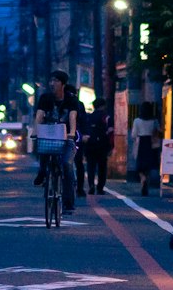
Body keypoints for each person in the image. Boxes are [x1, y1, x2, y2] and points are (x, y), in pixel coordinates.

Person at [32, 69, 79, 213]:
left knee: (67, 165)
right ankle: (42, 171)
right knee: (44, 151)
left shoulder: (71, 99)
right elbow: (39, 115)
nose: (52, 83)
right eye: (51, 80)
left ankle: (68, 203)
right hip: (49, 135)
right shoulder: (45, 98)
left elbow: (72, 117)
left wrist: (71, 133)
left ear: (63, 84)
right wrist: (36, 130)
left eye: (56, 81)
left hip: (66, 138)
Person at [131, 100, 163, 197]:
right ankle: (146, 181)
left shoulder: (137, 120)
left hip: (141, 142)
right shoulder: (154, 121)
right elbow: (159, 132)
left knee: (140, 164)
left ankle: (143, 179)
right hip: (151, 143)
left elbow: (133, 134)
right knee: (149, 165)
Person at [85, 98, 113, 194]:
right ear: (103, 106)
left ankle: (91, 186)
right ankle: (100, 187)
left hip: (90, 144)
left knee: (91, 166)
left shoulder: (89, 117)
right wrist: (111, 146)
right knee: (102, 167)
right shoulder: (106, 117)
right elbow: (110, 132)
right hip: (102, 145)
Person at [73, 92, 90, 199]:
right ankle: (80, 188)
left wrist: (84, 134)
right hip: (76, 136)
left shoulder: (78, 104)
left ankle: (80, 188)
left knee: (78, 162)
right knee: (78, 163)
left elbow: (84, 120)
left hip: (75, 137)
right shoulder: (54, 102)